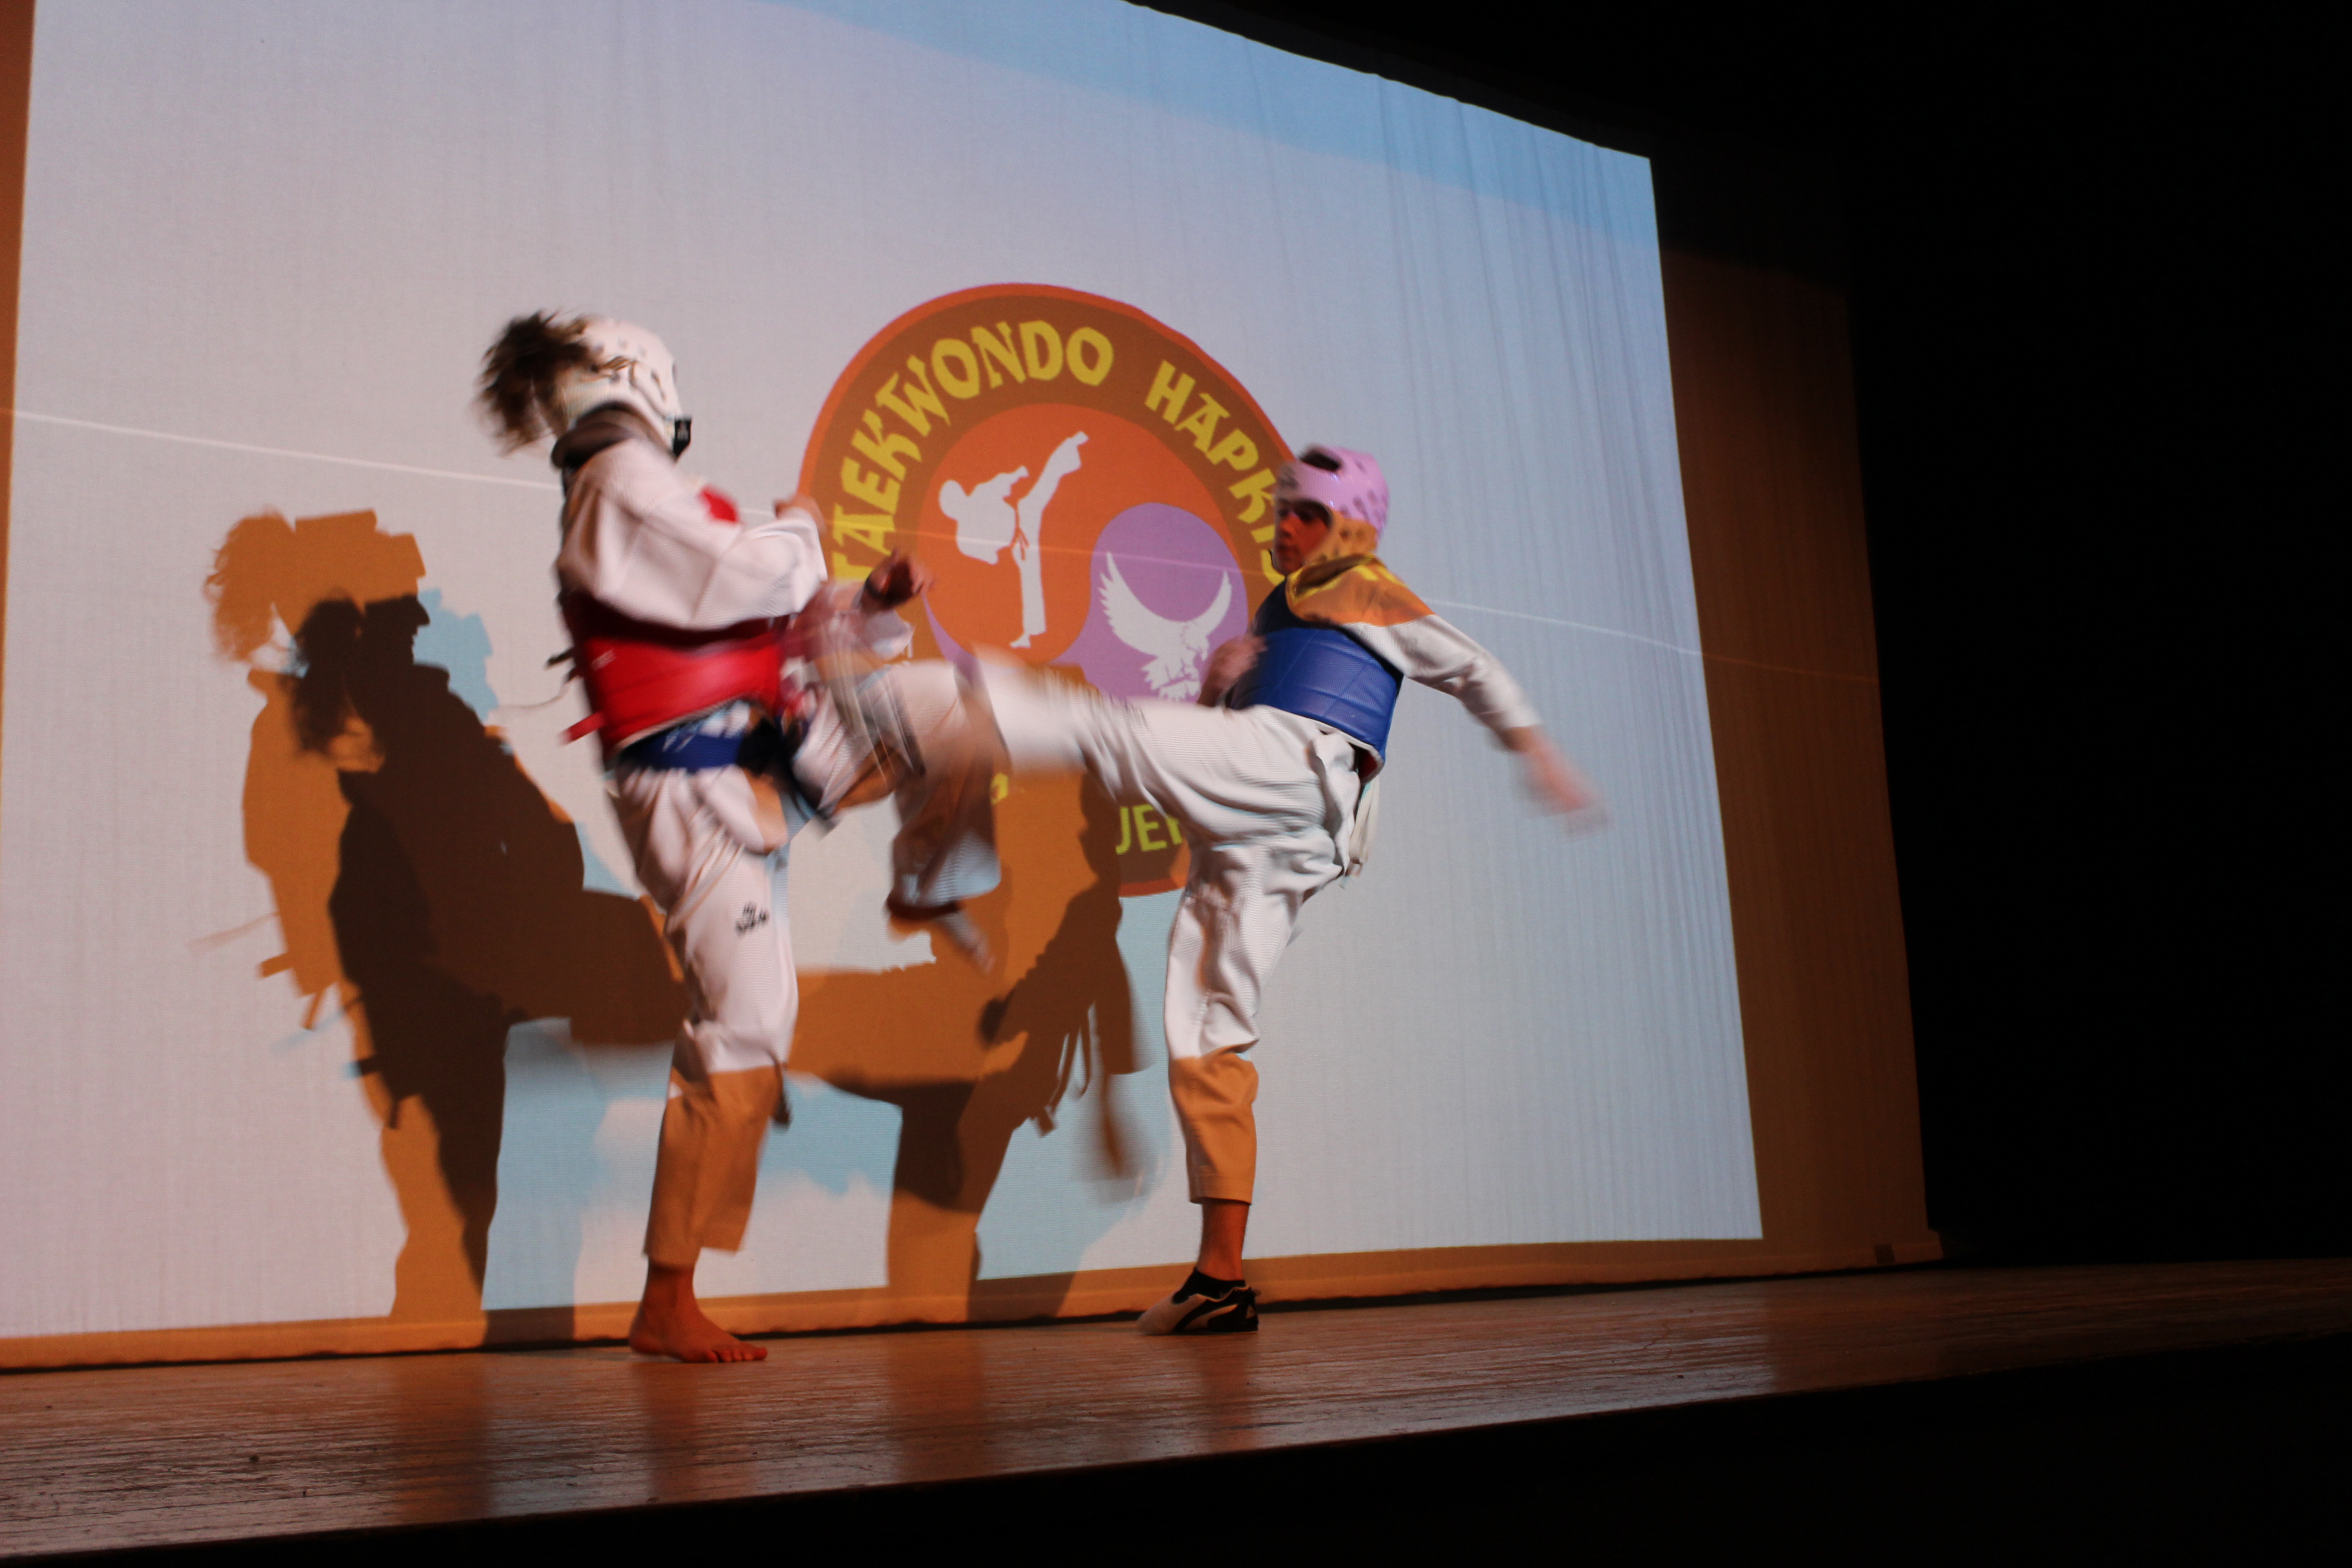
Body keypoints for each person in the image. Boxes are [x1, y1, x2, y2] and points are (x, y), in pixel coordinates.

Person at [978, 446, 1602, 1333]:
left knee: (1110, 732)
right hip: (1272, 824)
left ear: (1346, 525)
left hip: (1296, 774)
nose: (1284, 526)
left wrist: (1536, 751)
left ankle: (945, 710)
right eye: (1283, 511)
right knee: (1207, 1027)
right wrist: (1215, 687)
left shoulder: (1358, 584)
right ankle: (1220, 1280)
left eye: (1304, 513)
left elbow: (1467, 666)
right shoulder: (1289, 607)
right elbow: (1209, 752)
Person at [476, 313, 1000, 1362]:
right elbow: (763, 577)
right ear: (644, 381)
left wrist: (870, 598)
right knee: (749, 1025)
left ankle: (926, 883)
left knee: (956, 712)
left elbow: (777, 619)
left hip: (763, 755)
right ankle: (667, 1299)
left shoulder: (638, 489)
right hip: (697, 786)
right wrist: (803, 528)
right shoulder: (619, 484)